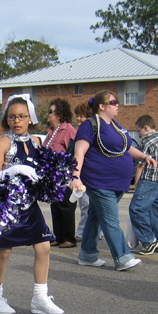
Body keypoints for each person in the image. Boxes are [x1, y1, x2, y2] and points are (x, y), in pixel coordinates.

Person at [0, 94, 63, 314]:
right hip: (7, 206)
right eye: (12, 117)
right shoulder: (3, 143)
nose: (16, 121)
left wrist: (62, 179)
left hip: (29, 205)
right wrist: (13, 171)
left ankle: (40, 298)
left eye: (21, 116)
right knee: (4, 251)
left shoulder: (36, 141)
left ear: (30, 118)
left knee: (44, 246)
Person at [70, 91, 155, 272]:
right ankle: (122, 257)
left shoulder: (116, 126)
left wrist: (144, 156)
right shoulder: (90, 125)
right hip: (100, 182)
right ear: (102, 106)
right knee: (110, 220)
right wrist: (75, 177)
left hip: (117, 183)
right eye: (114, 102)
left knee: (95, 218)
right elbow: (79, 152)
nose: (118, 105)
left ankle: (87, 255)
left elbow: (128, 148)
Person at [130, 115, 158, 254]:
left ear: (146, 128)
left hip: (148, 179)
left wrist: (137, 182)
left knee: (136, 209)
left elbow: (141, 164)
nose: (139, 134)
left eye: (139, 131)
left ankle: (149, 241)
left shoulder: (147, 141)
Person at [44, 98, 78, 248]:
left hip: (64, 176)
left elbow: (76, 151)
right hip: (52, 177)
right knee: (55, 206)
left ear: (59, 114)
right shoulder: (51, 132)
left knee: (66, 207)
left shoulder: (68, 130)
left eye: (51, 111)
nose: (48, 115)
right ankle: (58, 236)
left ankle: (69, 238)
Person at [72, 102, 92, 241]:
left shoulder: (88, 132)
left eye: (81, 116)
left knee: (86, 204)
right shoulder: (80, 131)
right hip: (81, 173)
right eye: (77, 116)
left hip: (87, 174)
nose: (78, 119)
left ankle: (81, 233)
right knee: (84, 204)